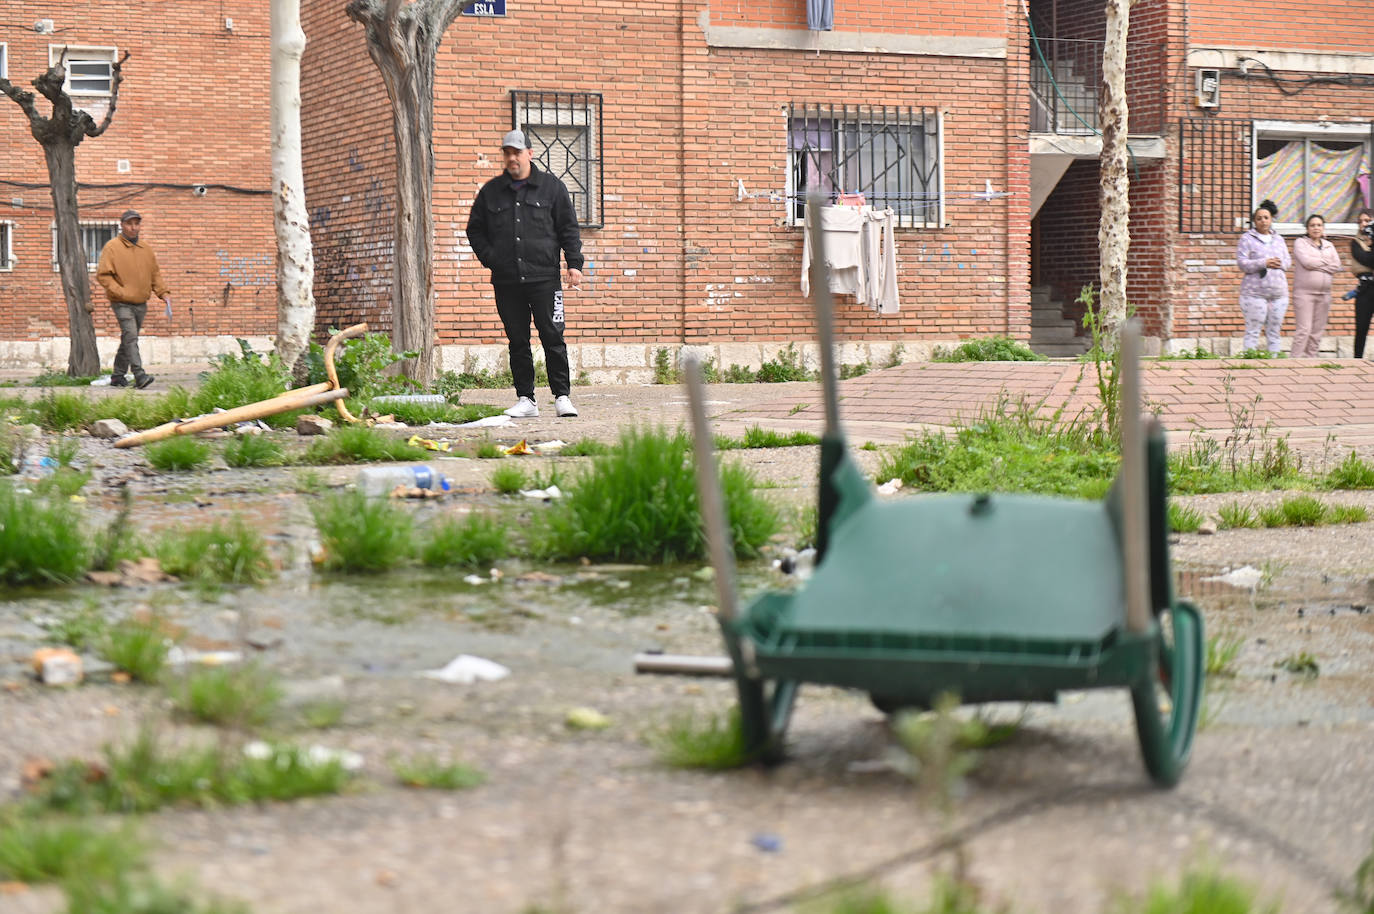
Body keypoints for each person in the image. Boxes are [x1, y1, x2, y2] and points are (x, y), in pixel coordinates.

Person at [465, 129, 584, 418]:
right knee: (517, 340)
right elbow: (474, 230)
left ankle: (562, 397)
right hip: (507, 282)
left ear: (530, 153)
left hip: (545, 279)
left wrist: (574, 263)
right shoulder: (491, 191)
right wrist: (492, 259)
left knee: (552, 337)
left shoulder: (552, 188)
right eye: (507, 153)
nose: (512, 158)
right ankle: (526, 399)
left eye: (517, 152)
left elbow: (568, 228)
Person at [96, 209, 171, 388]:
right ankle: (139, 375)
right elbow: (103, 275)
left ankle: (117, 376)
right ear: (122, 225)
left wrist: (164, 293)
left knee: (129, 339)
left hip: (140, 303)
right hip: (121, 303)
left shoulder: (146, 249)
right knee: (131, 337)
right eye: (129, 224)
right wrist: (120, 292)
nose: (133, 227)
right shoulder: (112, 247)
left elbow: (155, 275)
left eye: (136, 224)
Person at [1234, 201, 1291, 355]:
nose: (1263, 221)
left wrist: (1279, 264)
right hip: (1254, 293)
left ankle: (1274, 364)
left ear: (1271, 219)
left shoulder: (1279, 239)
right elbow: (1242, 263)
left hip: (1278, 294)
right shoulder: (1247, 239)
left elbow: (1288, 262)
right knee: (1253, 331)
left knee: (1274, 332)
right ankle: (1249, 362)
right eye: (1259, 218)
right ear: (1254, 221)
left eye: (1266, 217)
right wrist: (1263, 263)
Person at [1290, 214, 1342, 358]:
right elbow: (1307, 262)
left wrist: (1319, 263)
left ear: (1323, 228)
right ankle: (1293, 362)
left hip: (1324, 295)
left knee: (1317, 331)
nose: (1316, 228)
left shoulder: (1328, 245)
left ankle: (1311, 362)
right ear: (1307, 228)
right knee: (1304, 330)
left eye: (1319, 225)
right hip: (1304, 294)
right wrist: (1326, 263)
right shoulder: (1300, 243)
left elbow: (1336, 266)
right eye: (1312, 225)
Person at [1351, 207, 1374, 359]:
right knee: (1361, 326)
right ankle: (1357, 360)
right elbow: (1367, 260)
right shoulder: (1355, 242)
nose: (1363, 224)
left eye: (1367, 221)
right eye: (1360, 221)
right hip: (1365, 288)